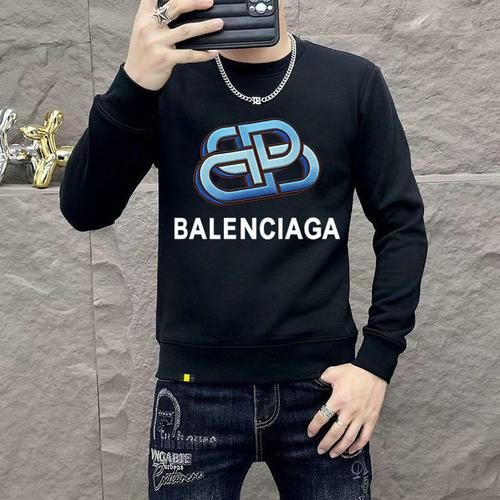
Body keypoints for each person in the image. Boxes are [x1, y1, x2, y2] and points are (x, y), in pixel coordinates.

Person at [59, 0, 428, 498]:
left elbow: (401, 223)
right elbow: (84, 209)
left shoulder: (352, 81)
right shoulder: (165, 82)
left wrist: (376, 365)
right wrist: (134, 82)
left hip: (321, 389)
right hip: (194, 391)